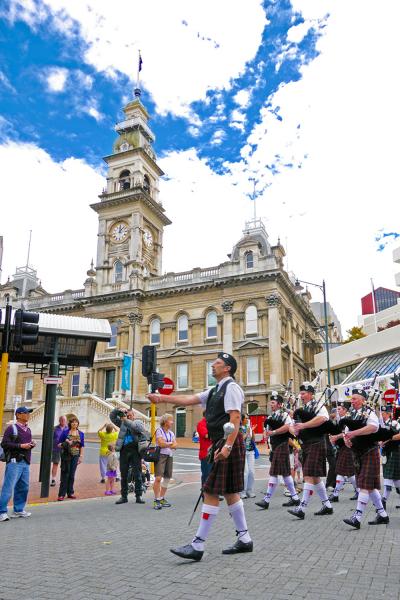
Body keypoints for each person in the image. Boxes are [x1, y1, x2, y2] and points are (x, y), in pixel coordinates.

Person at [148, 352, 253, 561]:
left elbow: (235, 418)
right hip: (221, 443)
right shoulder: (215, 390)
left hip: (227, 443)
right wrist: (161, 398)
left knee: (211, 492)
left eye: (218, 363)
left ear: (227, 368)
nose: (213, 366)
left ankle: (198, 545)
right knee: (231, 493)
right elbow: (189, 399)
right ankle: (244, 539)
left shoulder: (231, 388)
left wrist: (228, 447)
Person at [342, 386, 389, 529]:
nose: (352, 401)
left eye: (355, 398)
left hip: (370, 451)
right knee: (371, 487)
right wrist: (346, 439)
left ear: (363, 400)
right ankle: (382, 515)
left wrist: (354, 433)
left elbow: (373, 428)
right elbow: (346, 431)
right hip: (358, 453)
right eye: (352, 399)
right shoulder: (352, 415)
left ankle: (357, 517)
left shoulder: (369, 413)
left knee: (363, 484)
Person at [288, 382, 333, 519]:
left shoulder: (318, 406)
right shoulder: (304, 409)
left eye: (303, 393)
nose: (301, 396)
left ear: (311, 394)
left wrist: (304, 424)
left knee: (307, 475)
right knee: (315, 477)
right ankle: (327, 506)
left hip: (316, 443)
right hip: (306, 444)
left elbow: (323, 419)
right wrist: (294, 428)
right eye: (300, 393)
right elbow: (295, 428)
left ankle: (301, 508)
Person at [256, 392, 300, 510]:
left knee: (275, 473)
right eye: (271, 402)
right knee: (285, 474)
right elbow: (268, 431)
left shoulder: (284, 415)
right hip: (275, 447)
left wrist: (274, 432)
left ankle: (267, 500)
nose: (271, 404)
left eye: (273, 402)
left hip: (282, 445)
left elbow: (287, 428)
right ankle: (295, 498)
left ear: (280, 404)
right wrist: (267, 434)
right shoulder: (271, 417)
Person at [0, 406, 35, 521]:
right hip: (14, 462)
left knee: (23, 487)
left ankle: (18, 510)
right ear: (18, 415)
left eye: (28, 413)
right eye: (26, 413)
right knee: (8, 487)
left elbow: (26, 445)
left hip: (26, 462)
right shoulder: (12, 428)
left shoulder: (28, 430)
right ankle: (2, 512)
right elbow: (4, 444)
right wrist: (21, 446)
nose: (28, 415)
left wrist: (31, 444)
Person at [110, 407, 147, 505]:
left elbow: (136, 427)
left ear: (133, 415)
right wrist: (118, 410)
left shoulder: (138, 422)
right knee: (124, 474)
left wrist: (126, 420)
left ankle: (138, 496)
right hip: (124, 450)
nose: (128, 417)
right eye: (127, 415)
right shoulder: (122, 423)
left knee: (137, 474)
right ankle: (124, 496)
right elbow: (112, 417)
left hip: (135, 450)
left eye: (130, 415)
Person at [328, 402, 358, 502]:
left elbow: (347, 432)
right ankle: (358, 491)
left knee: (341, 471)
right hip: (342, 447)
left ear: (345, 410)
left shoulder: (348, 419)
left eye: (340, 409)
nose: (337, 411)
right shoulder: (340, 419)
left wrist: (336, 437)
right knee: (349, 473)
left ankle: (335, 494)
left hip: (348, 447)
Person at [153, 413, 177, 510]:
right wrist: (171, 444)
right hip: (160, 456)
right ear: (165, 422)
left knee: (167, 478)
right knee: (158, 478)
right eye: (171, 420)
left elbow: (176, 445)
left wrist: (168, 444)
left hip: (169, 456)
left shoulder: (171, 433)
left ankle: (162, 497)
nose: (172, 422)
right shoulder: (159, 431)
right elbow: (161, 444)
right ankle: (156, 499)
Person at [58, 417, 85, 501]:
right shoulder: (65, 432)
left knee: (72, 475)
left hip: (75, 456)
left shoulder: (81, 433)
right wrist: (66, 442)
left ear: (78, 424)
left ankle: (70, 492)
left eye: (76, 422)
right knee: (65, 474)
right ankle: (61, 494)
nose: (74, 424)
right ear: (70, 424)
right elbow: (59, 444)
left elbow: (82, 446)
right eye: (73, 422)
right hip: (66, 456)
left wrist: (81, 456)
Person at [379, 404, 400, 510]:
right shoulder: (381, 425)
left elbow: (399, 435)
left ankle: (383, 501)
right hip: (386, 453)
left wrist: (387, 440)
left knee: (388, 477)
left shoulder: (395, 423)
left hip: (394, 452)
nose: (381, 415)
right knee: (395, 479)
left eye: (382, 413)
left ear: (388, 413)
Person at [241, 414, 256, 499]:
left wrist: (252, 431)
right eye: (246, 418)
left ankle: (249, 490)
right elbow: (240, 439)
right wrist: (247, 433)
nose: (247, 419)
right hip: (242, 452)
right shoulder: (239, 428)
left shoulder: (248, 427)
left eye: (248, 418)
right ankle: (242, 491)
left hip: (250, 451)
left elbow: (253, 440)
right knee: (245, 472)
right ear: (242, 420)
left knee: (251, 472)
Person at [51, 415, 68, 487]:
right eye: (61, 420)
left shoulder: (68, 429)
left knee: (65, 465)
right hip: (56, 449)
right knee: (55, 463)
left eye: (64, 420)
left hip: (66, 449)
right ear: (59, 421)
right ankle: (53, 479)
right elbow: (51, 439)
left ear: (66, 421)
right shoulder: (55, 429)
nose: (63, 421)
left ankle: (63, 480)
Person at [197, 411, 212, 488]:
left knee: (213, 474)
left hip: (214, 453)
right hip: (206, 454)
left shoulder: (212, 423)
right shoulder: (201, 424)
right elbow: (207, 435)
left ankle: (213, 493)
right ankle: (205, 493)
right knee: (206, 474)